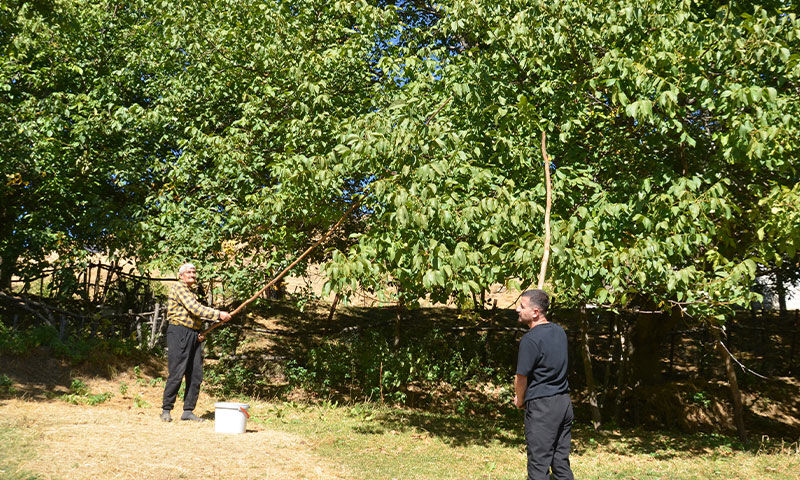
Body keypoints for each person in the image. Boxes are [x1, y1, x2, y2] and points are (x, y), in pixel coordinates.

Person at [513, 289, 574, 480]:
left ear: (535, 312)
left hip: (543, 408)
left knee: (538, 467)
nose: (517, 309)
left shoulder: (530, 340)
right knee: (560, 463)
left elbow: (521, 377)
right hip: (563, 404)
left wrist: (520, 399)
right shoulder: (559, 332)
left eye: (522, 306)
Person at [160, 263, 231, 422]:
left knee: (195, 374)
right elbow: (195, 309)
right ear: (181, 275)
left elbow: (194, 316)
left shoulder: (191, 292)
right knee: (177, 371)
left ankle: (188, 411)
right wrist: (218, 314)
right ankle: (166, 409)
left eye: (194, 272)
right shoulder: (179, 288)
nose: (192, 274)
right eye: (189, 272)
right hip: (179, 332)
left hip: (192, 334)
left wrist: (197, 333)